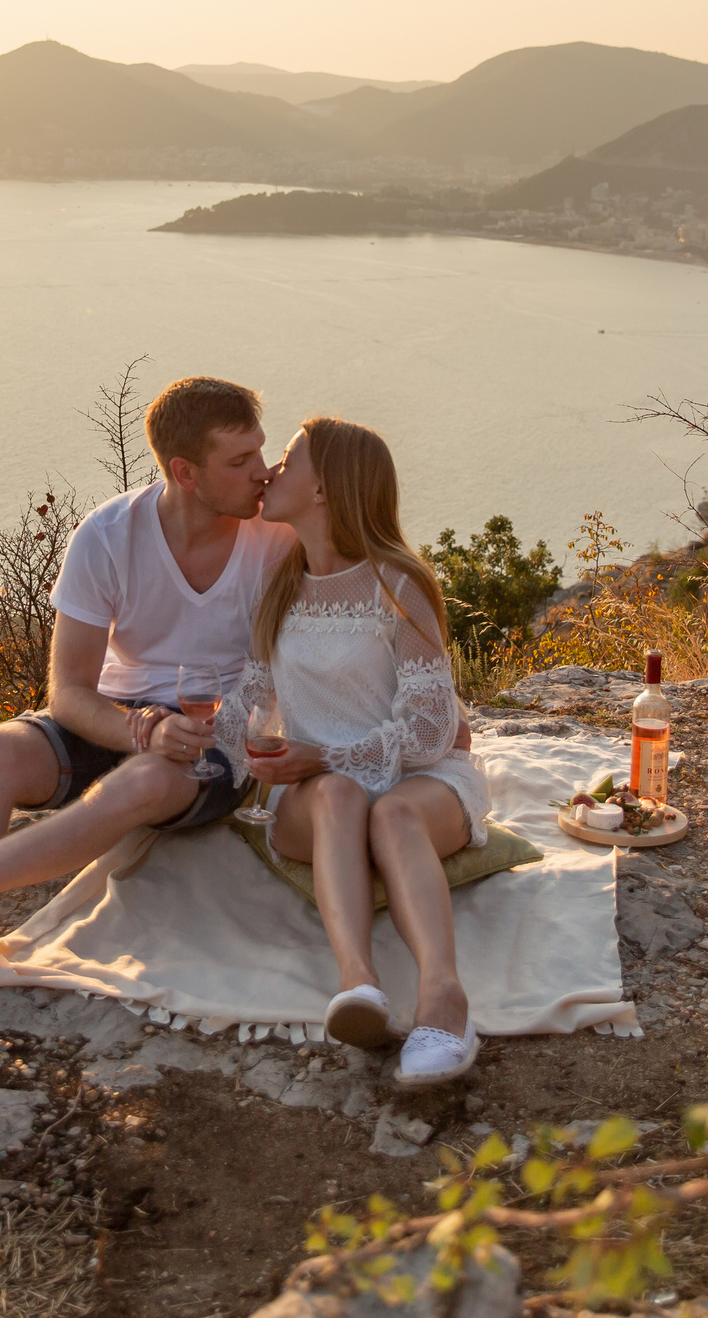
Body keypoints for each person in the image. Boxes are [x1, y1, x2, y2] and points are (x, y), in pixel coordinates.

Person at [0, 376, 294, 1018]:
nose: (263, 472)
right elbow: (67, 693)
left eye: (261, 451)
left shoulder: (277, 539)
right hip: (124, 718)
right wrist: (139, 729)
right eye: (240, 460)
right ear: (185, 471)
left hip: (213, 741)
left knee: (142, 784)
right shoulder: (109, 535)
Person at [220, 416, 485, 1088]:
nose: (272, 471)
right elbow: (247, 710)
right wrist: (184, 735)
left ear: (326, 488)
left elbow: (430, 733)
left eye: (287, 458)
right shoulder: (277, 588)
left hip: (417, 782)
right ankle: (358, 986)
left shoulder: (398, 583)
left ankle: (443, 1001)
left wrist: (323, 754)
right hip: (320, 798)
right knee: (340, 796)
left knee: (391, 813)